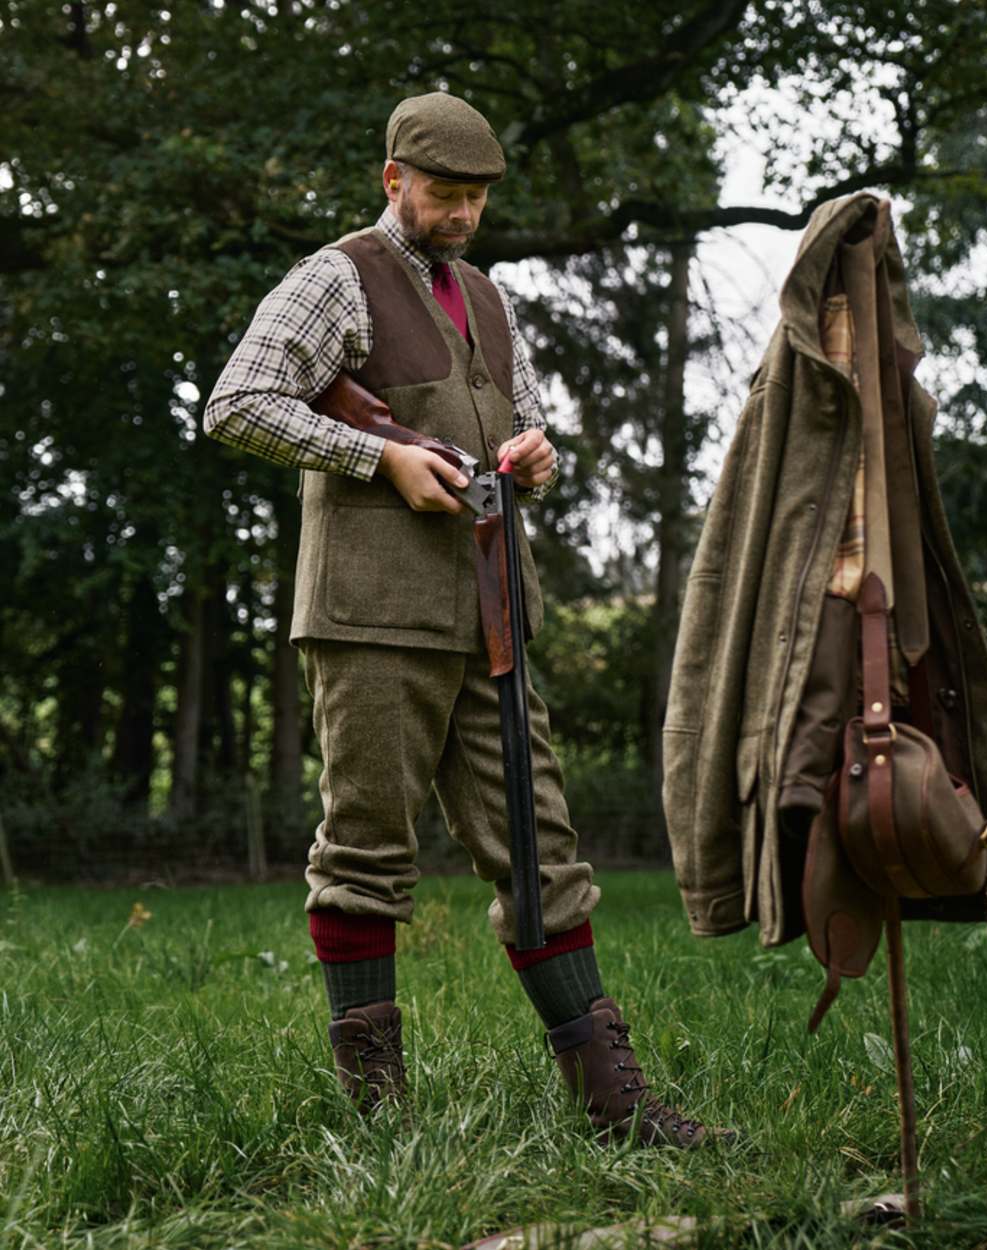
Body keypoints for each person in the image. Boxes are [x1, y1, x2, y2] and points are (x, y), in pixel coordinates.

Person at [205, 91, 709, 1148]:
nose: (464, 215)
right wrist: (378, 456)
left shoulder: (487, 296)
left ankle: (612, 1106)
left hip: (491, 613)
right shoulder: (336, 276)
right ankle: (378, 1123)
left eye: (478, 198)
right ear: (393, 178)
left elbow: (524, 425)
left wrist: (537, 454)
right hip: (370, 615)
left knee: (542, 850)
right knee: (366, 851)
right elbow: (238, 402)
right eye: (445, 193)